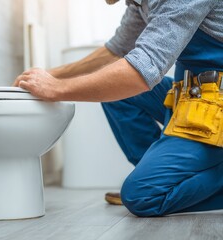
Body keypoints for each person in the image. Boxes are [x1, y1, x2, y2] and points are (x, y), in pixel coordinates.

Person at [14, 0, 223, 217]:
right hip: (194, 95)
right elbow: (116, 51)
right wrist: (49, 75)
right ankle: (167, 178)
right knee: (115, 93)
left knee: (142, 197)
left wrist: (57, 88)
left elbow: (142, 71)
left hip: (215, 105)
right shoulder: (139, 3)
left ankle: (160, 186)